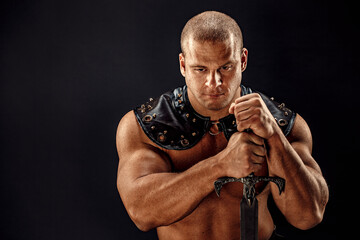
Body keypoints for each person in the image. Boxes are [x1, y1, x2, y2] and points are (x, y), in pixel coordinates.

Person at [116, 11, 328, 240]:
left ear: (243, 61)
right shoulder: (146, 126)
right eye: (201, 69)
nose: (214, 82)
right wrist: (221, 165)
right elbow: (142, 213)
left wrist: (275, 137)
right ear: (183, 65)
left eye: (225, 68)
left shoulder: (282, 123)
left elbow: (309, 215)